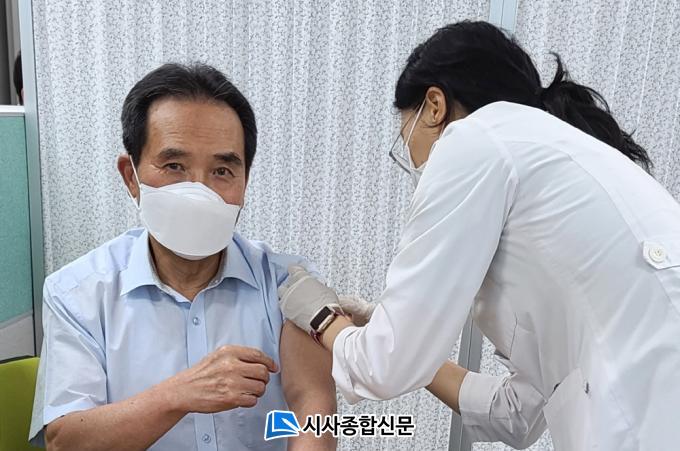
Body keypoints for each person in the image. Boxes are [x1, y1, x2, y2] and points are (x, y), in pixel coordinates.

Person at [278, 21, 680, 450]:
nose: (412, 162)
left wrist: (322, 320)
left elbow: (383, 368)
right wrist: (395, 334)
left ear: (434, 106)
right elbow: (516, 414)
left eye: (405, 137)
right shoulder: (557, 160)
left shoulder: (473, 140)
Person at [29, 63, 336, 450]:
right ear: (131, 176)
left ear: (245, 180)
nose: (199, 192)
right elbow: (65, 440)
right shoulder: (78, 293)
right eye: (174, 166)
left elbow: (313, 408)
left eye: (222, 170)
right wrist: (179, 394)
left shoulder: (288, 285)